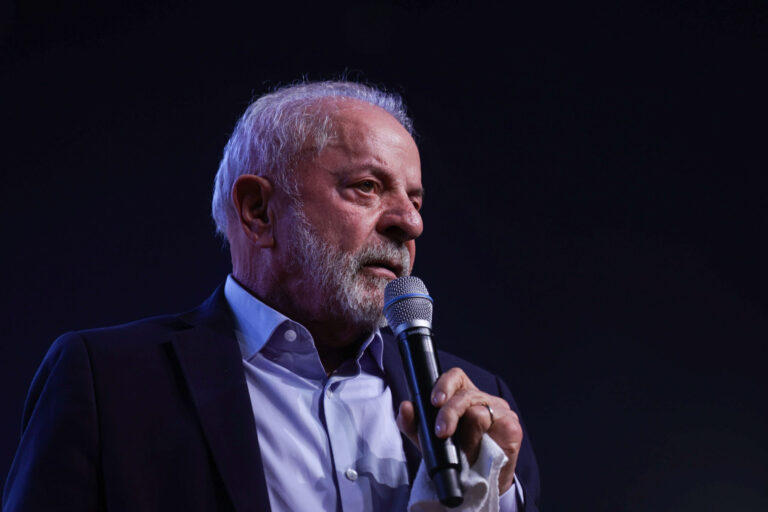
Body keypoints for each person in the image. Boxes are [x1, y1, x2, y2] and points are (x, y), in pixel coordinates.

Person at [2, 81, 541, 511]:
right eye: (367, 187)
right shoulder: (107, 382)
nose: (410, 222)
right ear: (258, 211)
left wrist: (493, 495)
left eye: (415, 200)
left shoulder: (482, 409)